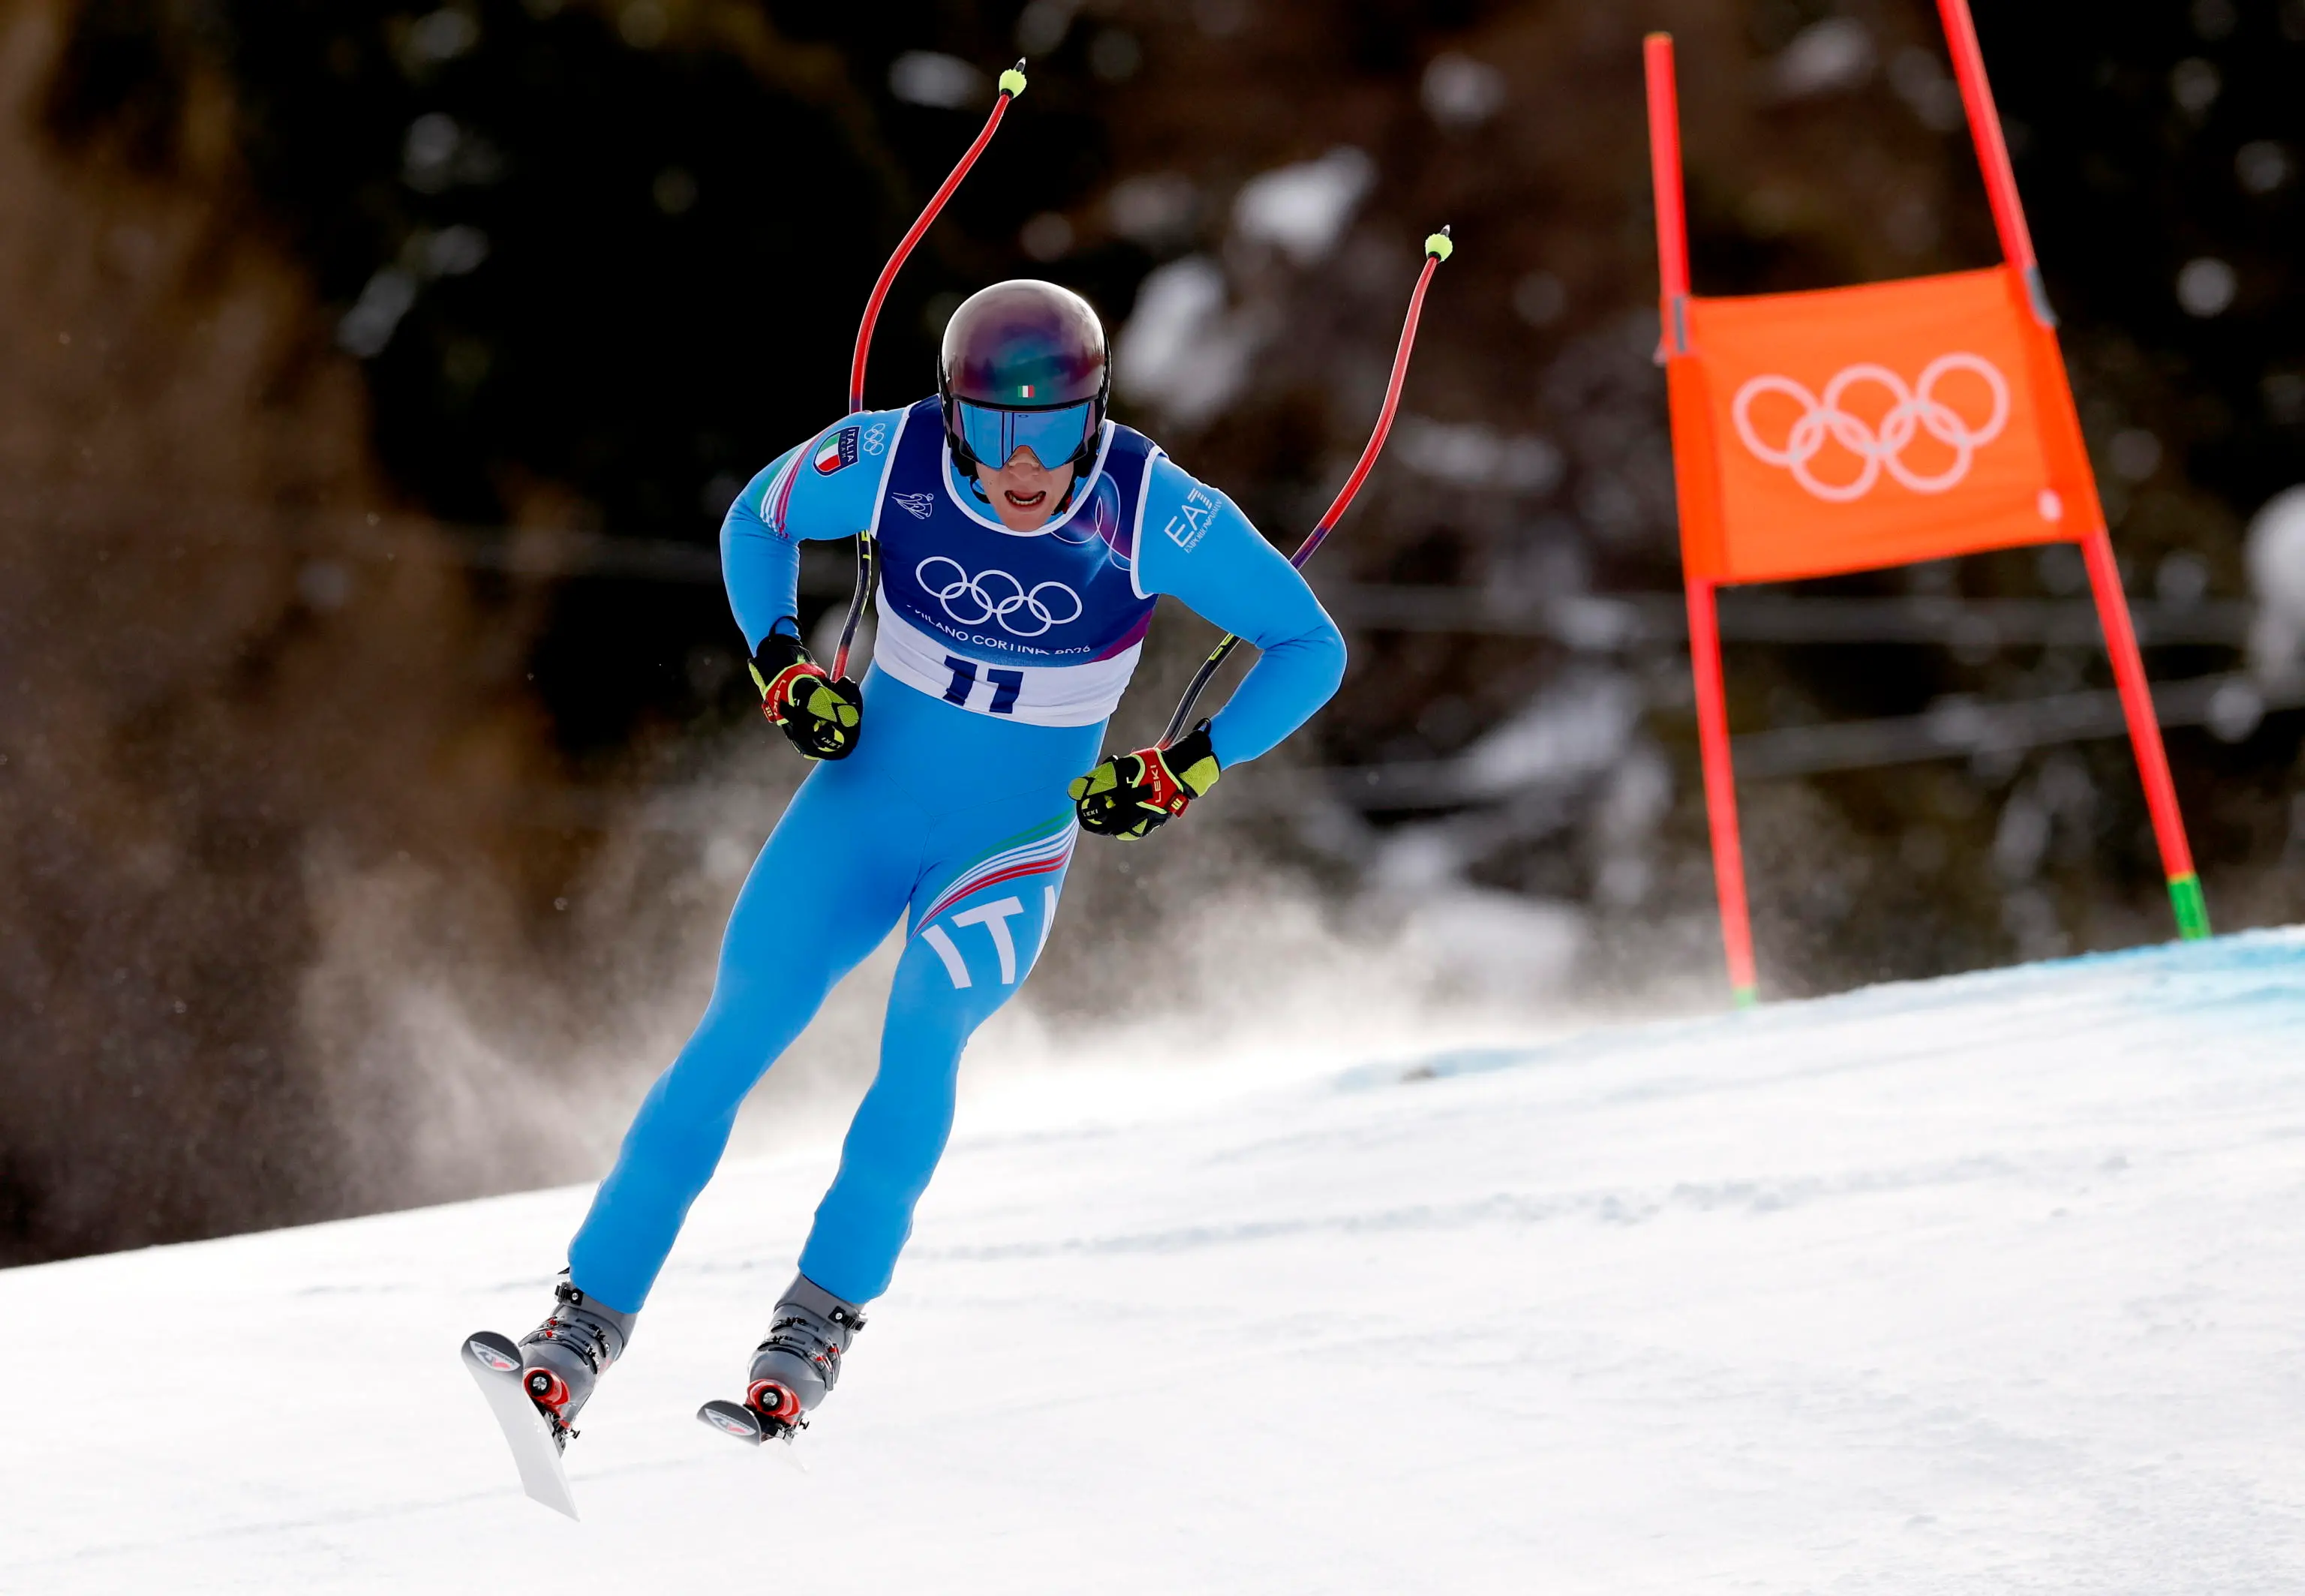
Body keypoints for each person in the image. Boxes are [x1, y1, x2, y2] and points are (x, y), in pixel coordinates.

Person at [513, 278, 1345, 1445]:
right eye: (995, 434)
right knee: (739, 1026)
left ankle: (816, 1323)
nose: (1024, 467)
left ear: (1097, 413)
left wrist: (1187, 765)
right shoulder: (892, 454)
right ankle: (584, 1319)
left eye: (1055, 433)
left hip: (1005, 843)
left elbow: (1310, 643)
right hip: (862, 808)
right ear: (952, 415)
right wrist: (781, 665)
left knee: (923, 1025)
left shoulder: (1151, 503)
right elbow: (757, 519)